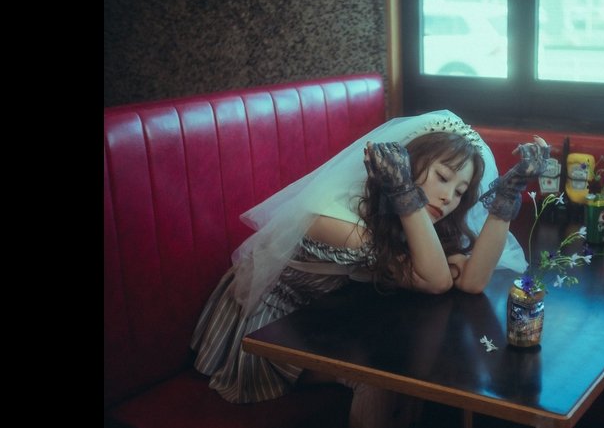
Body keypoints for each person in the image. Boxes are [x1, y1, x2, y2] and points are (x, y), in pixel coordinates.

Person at [190, 109, 549, 427]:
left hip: (330, 320)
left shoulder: (414, 222)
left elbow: (472, 282)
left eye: (460, 191)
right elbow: (438, 280)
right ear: (407, 163)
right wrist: (405, 192)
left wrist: (508, 196)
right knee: (382, 378)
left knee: (413, 367)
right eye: (443, 177)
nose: (448, 198)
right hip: (265, 332)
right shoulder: (333, 217)